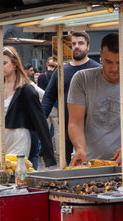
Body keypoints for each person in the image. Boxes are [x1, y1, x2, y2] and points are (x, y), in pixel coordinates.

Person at [67, 32, 123, 165]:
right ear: (101, 55)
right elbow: (75, 122)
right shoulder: (82, 79)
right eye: (108, 62)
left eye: (119, 62)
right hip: (87, 162)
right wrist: (79, 148)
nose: (114, 68)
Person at [0, 46, 56, 167]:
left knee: (16, 171)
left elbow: (40, 121)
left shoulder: (26, 89)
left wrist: (49, 156)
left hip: (19, 136)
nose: (0, 67)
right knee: (2, 173)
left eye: (4, 63)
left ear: (15, 64)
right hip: (0, 136)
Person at [42, 31, 101, 164]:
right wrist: (40, 120)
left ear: (88, 47)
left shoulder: (97, 70)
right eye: (73, 43)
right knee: (66, 167)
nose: (76, 46)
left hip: (91, 129)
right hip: (65, 128)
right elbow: (48, 97)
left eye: (81, 43)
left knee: (91, 166)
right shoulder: (61, 70)